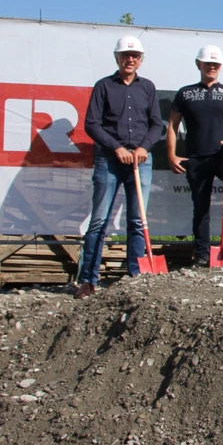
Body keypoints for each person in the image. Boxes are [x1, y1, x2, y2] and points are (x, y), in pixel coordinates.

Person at [76, 35, 164, 298]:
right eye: (125, 55)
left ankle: (135, 277)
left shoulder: (147, 87)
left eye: (135, 55)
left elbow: (156, 124)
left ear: (141, 59)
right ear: (117, 58)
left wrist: (142, 148)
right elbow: (92, 124)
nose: (130, 59)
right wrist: (117, 148)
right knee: (99, 221)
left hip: (139, 162)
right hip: (109, 161)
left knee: (137, 221)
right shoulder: (103, 86)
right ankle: (88, 280)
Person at [167, 45, 223, 267]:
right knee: (200, 206)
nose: (212, 67)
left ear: (220, 67)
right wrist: (172, 155)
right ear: (198, 64)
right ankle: (202, 254)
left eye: (216, 64)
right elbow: (172, 126)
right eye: (208, 63)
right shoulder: (185, 93)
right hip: (197, 157)